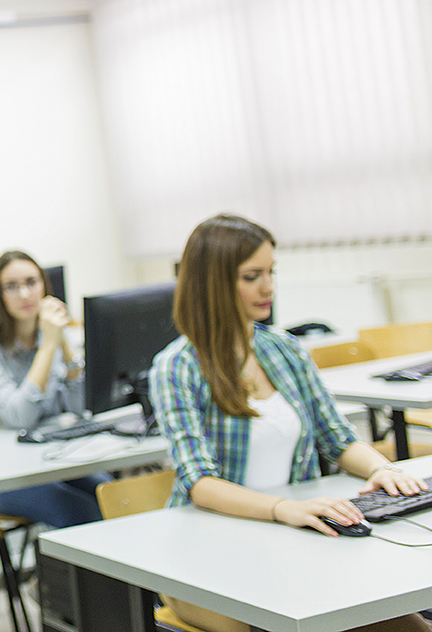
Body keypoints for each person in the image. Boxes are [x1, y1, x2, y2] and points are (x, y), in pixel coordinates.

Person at [149, 213, 430, 632]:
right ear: (213, 283)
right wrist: (285, 510)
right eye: (251, 276)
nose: (269, 287)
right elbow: (199, 483)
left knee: (405, 626)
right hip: (211, 548)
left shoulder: (283, 348)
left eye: (271, 272)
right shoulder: (176, 366)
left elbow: (336, 437)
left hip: (291, 536)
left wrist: (380, 468)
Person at [0, 250, 109, 527]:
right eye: (12, 286)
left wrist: (64, 343)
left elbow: (81, 408)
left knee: (112, 496)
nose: (25, 294)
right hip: (1, 476)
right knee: (81, 512)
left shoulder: (50, 334)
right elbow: (21, 418)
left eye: (32, 282)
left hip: (52, 461)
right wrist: (49, 346)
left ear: (45, 286)